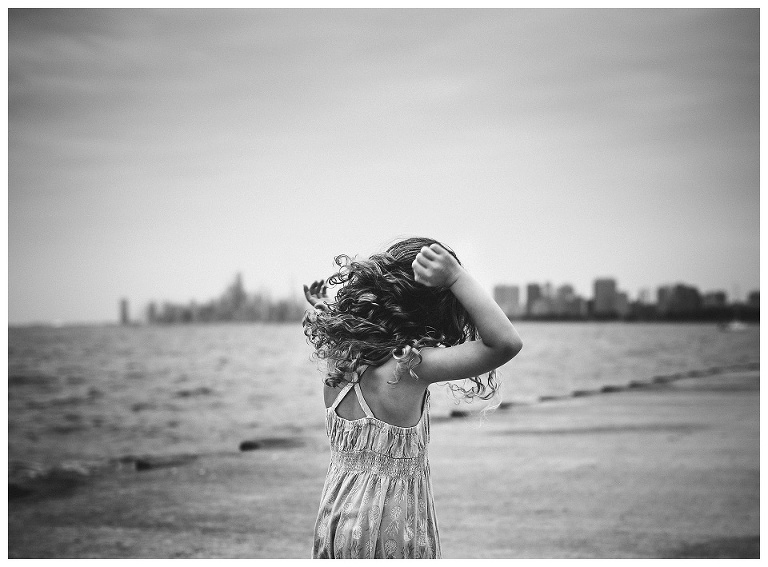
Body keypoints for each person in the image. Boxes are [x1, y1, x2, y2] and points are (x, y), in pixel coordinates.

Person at [303, 237, 522, 559]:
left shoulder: (340, 356)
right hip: (388, 525)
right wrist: (456, 278)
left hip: (336, 515)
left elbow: (345, 326)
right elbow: (505, 344)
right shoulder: (408, 367)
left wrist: (325, 306)